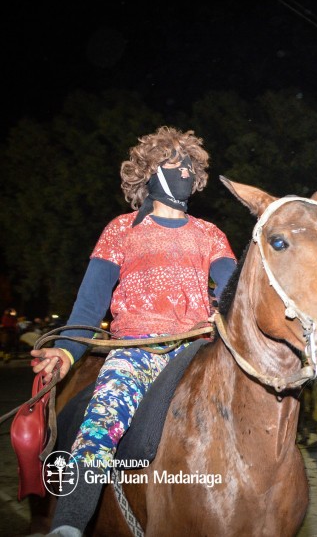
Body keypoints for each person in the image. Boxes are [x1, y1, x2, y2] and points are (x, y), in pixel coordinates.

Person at [31, 126, 237, 537]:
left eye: (188, 163)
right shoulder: (120, 230)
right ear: (148, 172)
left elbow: (232, 287)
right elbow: (89, 306)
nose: (182, 170)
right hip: (135, 350)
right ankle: (68, 526)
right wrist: (67, 352)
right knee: (100, 423)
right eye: (171, 162)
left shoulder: (210, 234)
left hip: (197, 349)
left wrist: (225, 310)